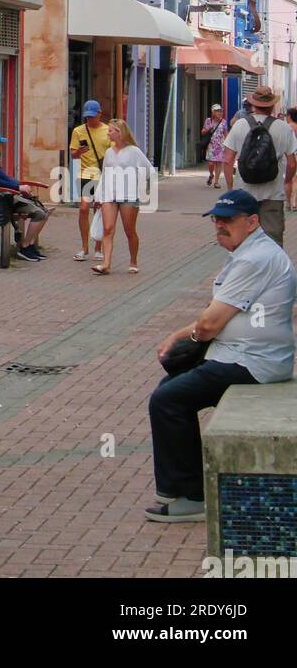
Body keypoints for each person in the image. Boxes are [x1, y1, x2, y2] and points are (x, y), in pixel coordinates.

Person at [145, 189, 296, 523]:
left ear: (253, 221)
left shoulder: (255, 259)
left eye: (227, 220)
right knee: (169, 387)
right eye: (216, 220)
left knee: (168, 399)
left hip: (253, 362)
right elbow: (215, 317)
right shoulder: (249, 252)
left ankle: (192, 497)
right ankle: (178, 490)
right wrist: (178, 336)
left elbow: (211, 323)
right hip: (238, 355)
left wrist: (193, 337)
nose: (219, 226)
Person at [220, 85, 296, 246]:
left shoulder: (240, 125)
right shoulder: (283, 128)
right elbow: (291, 163)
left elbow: (227, 160)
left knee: (242, 242)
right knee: (273, 243)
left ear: (253, 104)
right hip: (273, 195)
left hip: (243, 194)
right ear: (272, 105)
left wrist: (231, 188)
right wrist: (286, 181)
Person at [0, 131, 49, 262]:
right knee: (39, 213)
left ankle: (30, 245)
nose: (1, 147)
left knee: (44, 211)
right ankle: (25, 247)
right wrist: (18, 188)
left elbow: (5, 180)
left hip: (6, 196)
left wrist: (20, 186)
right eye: (0, 145)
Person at [91, 120, 153, 275]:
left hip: (128, 195)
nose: (108, 133)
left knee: (129, 230)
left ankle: (133, 261)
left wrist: (137, 183)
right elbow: (104, 174)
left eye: (111, 131)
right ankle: (106, 264)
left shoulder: (134, 151)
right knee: (107, 229)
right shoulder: (109, 152)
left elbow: (149, 170)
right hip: (109, 194)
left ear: (120, 132)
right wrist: (98, 196)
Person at [69, 100, 111, 262]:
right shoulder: (78, 131)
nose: (90, 120)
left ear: (100, 114)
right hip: (85, 174)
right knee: (83, 208)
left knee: (99, 210)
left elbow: (114, 151)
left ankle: (98, 248)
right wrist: (79, 151)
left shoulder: (108, 131)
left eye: (93, 117)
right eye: (87, 117)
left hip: (102, 175)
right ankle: (84, 247)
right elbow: (73, 155)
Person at [202, 104, 229, 188]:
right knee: (211, 163)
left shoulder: (223, 122)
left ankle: (216, 182)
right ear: (213, 112)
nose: (220, 113)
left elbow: (225, 133)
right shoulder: (208, 121)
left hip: (220, 145)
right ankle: (211, 174)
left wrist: (228, 144)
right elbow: (202, 132)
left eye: (220, 111)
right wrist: (208, 129)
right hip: (211, 145)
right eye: (217, 111)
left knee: (218, 163)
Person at [287, 108, 297, 211]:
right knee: (295, 180)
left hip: (290, 155)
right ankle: (295, 202)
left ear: (289, 116)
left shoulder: (288, 127)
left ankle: (289, 203)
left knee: (289, 180)